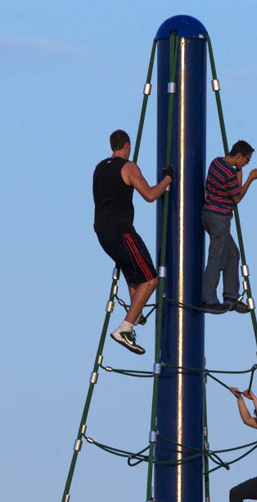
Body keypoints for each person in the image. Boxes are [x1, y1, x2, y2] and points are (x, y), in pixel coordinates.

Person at [93, 129, 173, 354]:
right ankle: (125, 328)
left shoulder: (100, 167)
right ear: (127, 146)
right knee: (150, 280)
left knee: (133, 273)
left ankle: (135, 314)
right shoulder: (128, 167)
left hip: (102, 231)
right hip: (121, 230)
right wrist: (168, 178)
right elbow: (149, 195)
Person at [201, 141, 257, 313]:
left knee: (232, 254)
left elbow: (234, 185)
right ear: (239, 156)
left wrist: (240, 170)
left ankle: (230, 295)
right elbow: (236, 197)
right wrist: (250, 178)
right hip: (219, 218)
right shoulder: (228, 171)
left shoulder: (217, 163)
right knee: (216, 258)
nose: (247, 163)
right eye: (247, 159)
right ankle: (208, 298)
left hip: (209, 214)